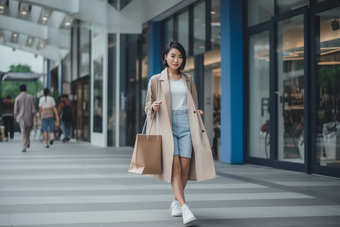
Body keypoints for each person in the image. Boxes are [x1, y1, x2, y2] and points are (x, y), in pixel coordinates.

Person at [144, 42, 216, 225]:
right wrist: (153, 106)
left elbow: (193, 103)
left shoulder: (188, 79)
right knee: (174, 167)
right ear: (165, 57)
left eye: (180, 56)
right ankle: (185, 207)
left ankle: (175, 202)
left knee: (185, 168)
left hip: (186, 124)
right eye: (173, 56)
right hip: (166, 125)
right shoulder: (155, 80)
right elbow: (147, 107)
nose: (176, 60)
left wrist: (196, 112)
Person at [14, 85, 37, 152]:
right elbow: (34, 109)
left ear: (19, 90)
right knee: (28, 131)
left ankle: (24, 147)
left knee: (23, 132)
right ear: (26, 89)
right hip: (29, 117)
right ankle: (27, 142)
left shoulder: (17, 98)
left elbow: (15, 110)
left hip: (21, 118)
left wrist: (15, 117)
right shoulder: (31, 97)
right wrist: (35, 117)